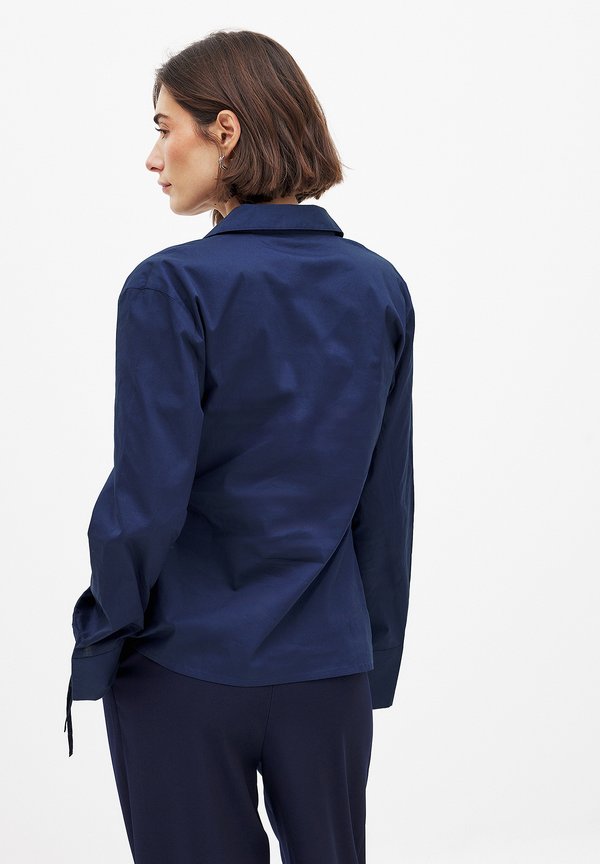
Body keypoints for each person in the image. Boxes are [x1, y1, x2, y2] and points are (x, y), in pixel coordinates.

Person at [63, 28, 415, 864]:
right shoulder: (379, 287)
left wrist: (101, 638)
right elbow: (386, 502)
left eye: (164, 128)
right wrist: (370, 660)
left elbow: (146, 495)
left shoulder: (170, 285)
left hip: (184, 666)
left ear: (225, 131)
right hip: (328, 670)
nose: (154, 158)